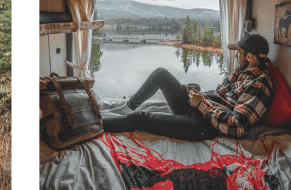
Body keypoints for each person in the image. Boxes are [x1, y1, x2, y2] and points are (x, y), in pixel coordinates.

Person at [103, 33, 275, 141]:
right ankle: (127, 107)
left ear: (250, 55)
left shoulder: (259, 85)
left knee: (141, 118)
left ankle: (93, 124)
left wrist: (202, 103)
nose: (236, 55)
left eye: (239, 52)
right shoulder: (242, 70)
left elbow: (236, 126)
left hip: (203, 125)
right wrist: (198, 96)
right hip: (199, 107)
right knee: (160, 74)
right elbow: (219, 94)